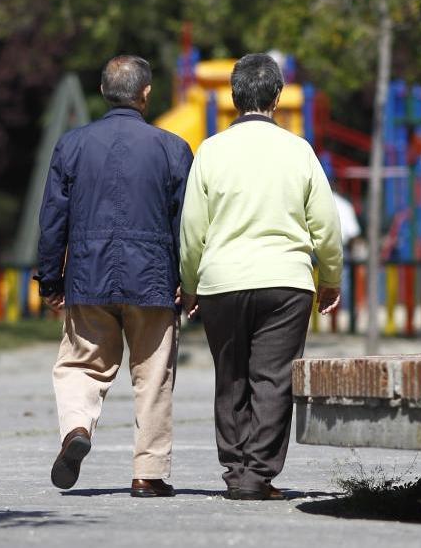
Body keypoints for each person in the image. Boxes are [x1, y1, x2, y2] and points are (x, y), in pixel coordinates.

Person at [179, 53, 342, 501]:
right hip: (286, 281)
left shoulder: (209, 151)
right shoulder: (299, 150)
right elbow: (325, 225)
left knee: (230, 377)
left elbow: (193, 228)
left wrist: (189, 283)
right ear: (276, 95)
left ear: (233, 99)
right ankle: (258, 476)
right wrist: (330, 277)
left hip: (221, 281)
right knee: (273, 379)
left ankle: (235, 470)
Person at [35, 55, 193, 498]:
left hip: (88, 274)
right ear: (145, 93)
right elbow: (186, 222)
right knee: (153, 376)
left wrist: (50, 279)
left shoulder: (72, 145)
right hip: (154, 280)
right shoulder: (173, 148)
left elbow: (52, 218)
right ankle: (148, 472)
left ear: (104, 92)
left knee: (81, 365)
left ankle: (76, 430)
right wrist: (187, 279)